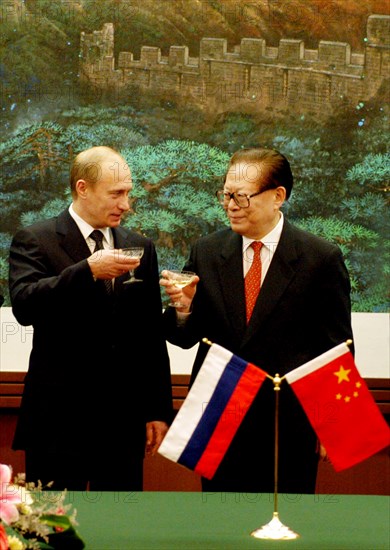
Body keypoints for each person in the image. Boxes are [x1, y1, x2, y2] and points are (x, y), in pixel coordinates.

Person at [160, 147, 353, 494]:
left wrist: (332, 425)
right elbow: (184, 338)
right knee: (220, 530)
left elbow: (336, 347)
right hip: (220, 417)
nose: (231, 205)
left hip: (288, 421)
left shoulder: (319, 258)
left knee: (286, 530)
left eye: (242, 197)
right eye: (226, 195)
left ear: (278, 196)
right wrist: (184, 309)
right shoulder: (207, 251)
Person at [9, 146, 172, 491]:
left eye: (127, 193)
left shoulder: (139, 245)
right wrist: (87, 271)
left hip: (123, 422)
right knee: (54, 530)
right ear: (83, 188)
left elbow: (149, 335)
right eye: (116, 194)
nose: (126, 204)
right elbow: (25, 305)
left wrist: (158, 409)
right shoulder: (36, 239)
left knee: (120, 532)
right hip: (57, 418)